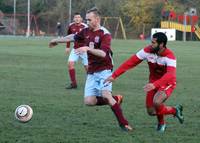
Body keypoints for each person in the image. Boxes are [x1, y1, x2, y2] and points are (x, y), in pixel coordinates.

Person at [49, 7, 133, 132]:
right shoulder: (86, 31)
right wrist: (57, 40)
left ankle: (124, 124)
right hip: (93, 70)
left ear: (97, 19)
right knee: (89, 101)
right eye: (86, 20)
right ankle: (116, 99)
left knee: (105, 94)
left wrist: (88, 49)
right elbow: (73, 36)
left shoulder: (105, 34)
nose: (87, 22)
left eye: (89, 19)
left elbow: (103, 54)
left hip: (105, 69)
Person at [105, 32, 184, 133]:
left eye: (154, 43)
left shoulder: (170, 56)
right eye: (151, 42)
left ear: (162, 44)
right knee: (151, 111)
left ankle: (161, 123)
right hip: (153, 82)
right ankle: (175, 110)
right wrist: (114, 75)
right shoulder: (147, 51)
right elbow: (131, 62)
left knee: (157, 101)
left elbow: (170, 75)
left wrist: (155, 84)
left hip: (167, 83)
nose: (151, 44)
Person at [65, 12, 88, 89]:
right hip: (75, 49)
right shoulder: (71, 26)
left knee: (87, 68)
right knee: (70, 64)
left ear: (81, 19)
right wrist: (67, 47)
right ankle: (74, 84)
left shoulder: (85, 26)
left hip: (84, 50)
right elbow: (68, 37)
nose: (77, 18)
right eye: (76, 17)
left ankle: (91, 83)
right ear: (74, 19)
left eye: (79, 17)